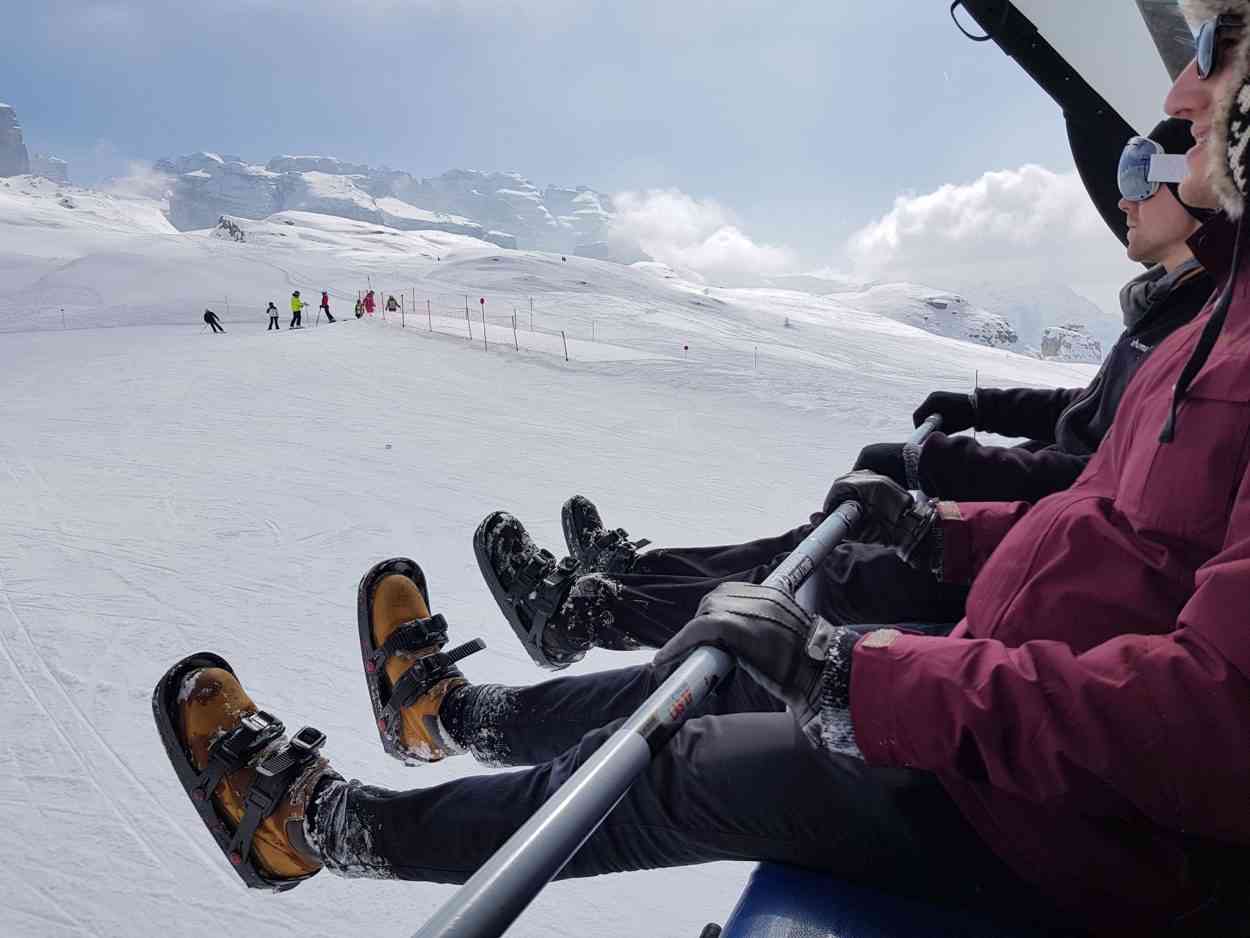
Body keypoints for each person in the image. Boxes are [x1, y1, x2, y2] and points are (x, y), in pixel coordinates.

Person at [155, 14, 1250, 935]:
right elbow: (1093, 507)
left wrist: (862, 677)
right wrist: (933, 527)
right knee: (734, 661)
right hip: (999, 690)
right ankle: (459, 710)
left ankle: (314, 824)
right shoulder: (1221, 311)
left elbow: (1217, 721)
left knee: (680, 769)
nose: (1179, 85)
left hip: (1068, 817)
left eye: (1219, 42)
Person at [856, 117, 1214, 505]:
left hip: (1067, 519)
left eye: (1140, 179)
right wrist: (982, 408)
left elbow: (1113, 476)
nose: (1124, 201)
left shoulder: (1199, 324)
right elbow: (1092, 409)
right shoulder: (1164, 304)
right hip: (1054, 497)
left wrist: (940, 466)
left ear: (1192, 187)